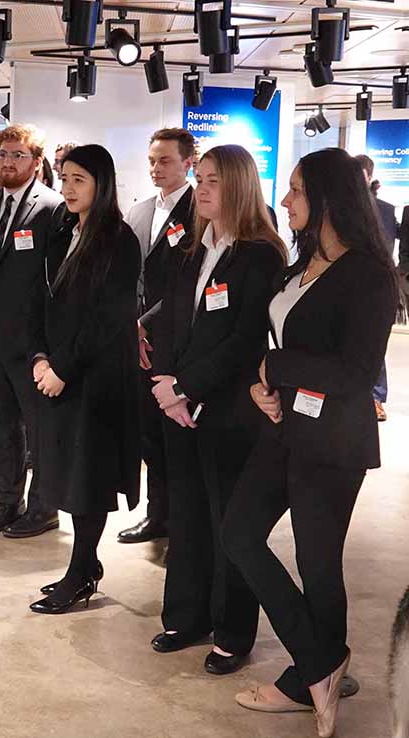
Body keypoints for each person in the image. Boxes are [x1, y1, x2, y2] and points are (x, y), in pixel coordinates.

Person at [222, 148, 398, 738]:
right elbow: (271, 347)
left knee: (318, 562)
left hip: (333, 438)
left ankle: (311, 677)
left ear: (327, 197)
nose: (288, 200)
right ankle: (320, 662)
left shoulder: (370, 274)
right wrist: (260, 383)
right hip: (283, 427)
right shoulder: (298, 265)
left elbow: (354, 371)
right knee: (239, 532)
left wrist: (277, 367)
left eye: (297, 190)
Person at [147, 145, 286, 676]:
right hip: (179, 403)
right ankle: (187, 615)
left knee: (227, 522)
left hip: (227, 408)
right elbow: (176, 319)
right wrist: (166, 382)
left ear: (239, 187)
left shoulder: (260, 253)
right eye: (198, 178)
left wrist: (185, 386)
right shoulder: (195, 245)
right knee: (186, 516)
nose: (200, 189)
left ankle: (232, 631)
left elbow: (243, 339)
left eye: (211, 181)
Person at [28, 144, 140, 614]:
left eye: (79, 180)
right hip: (59, 372)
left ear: (101, 183)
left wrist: (63, 369)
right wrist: (40, 358)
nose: (69, 188)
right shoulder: (62, 231)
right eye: (65, 177)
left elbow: (108, 319)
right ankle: (83, 564)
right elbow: (44, 301)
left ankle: (81, 571)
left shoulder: (119, 239)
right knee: (67, 473)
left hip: (96, 380)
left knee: (88, 477)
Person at [0, 123, 65, 539]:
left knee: (38, 430)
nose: (7, 162)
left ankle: (44, 509)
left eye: (17, 155)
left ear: (37, 162)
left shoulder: (53, 207)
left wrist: (50, 345)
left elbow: (58, 283)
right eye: (3, 155)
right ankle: (9, 501)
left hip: (30, 344)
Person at [118, 128, 197, 545]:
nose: (155, 168)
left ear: (188, 163)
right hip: (137, 339)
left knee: (175, 433)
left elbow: (187, 285)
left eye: (165, 160)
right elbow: (130, 275)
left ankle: (182, 520)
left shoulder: (198, 211)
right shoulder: (140, 210)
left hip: (175, 336)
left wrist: (144, 322)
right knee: (148, 431)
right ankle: (157, 514)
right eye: (151, 160)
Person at [356, 155, 396, 421]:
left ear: (368, 175)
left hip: (375, 281)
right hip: (349, 280)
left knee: (374, 341)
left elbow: (389, 244)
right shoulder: (343, 207)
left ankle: (376, 396)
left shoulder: (385, 208)